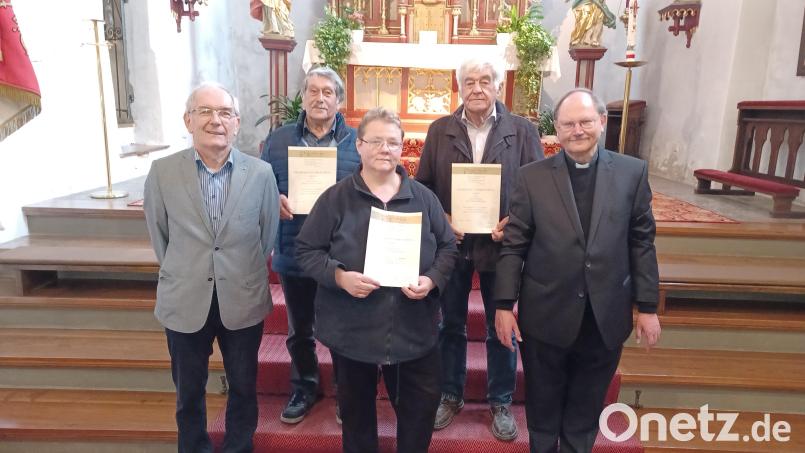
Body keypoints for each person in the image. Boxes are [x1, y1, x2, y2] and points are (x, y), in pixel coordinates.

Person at [494, 88, 661, 453]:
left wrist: (647, 307)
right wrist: (504, 305)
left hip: (605, 316)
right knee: (542, 406)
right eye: (568, 123)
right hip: (546, 314)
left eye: (585, 121)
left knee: (585, 411)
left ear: (601, 123)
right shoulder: (532, 177)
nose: (577, 130)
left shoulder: (632, 173)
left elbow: (641, 241)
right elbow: (515, 243)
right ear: (556, 129)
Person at [295, 107, 458, 453]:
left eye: (393, 143)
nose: (386, 149)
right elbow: (307, 249)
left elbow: (448, 249)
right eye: (377, 141)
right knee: (356, 419)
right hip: (353, 329)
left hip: (414, 330)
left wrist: (431, 280)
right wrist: (340, 276)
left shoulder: (424, 199)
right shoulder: (335, 198)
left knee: (418, 416)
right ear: (359, 145)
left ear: (402, 149)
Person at [144, 82, 279, 453]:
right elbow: (161, 236)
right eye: (205, 111)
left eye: (224, 113)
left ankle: (238, 447)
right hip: (186, 296)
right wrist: (189, 267)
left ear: (236, 123)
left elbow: (266, 235)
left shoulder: (261, 173)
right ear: (188, 120)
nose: (215, 120)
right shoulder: (162, 172)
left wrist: (236, 267)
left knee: (243, 387)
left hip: (242, 295)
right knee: (188, 392)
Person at [415, 57, 543, 441]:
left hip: (500, 247)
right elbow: (422, 188)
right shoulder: (440, 130)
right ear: (459, 87)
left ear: (498, 87)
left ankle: (500, 399)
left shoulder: (522, 131)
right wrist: (443, 218)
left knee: (499, 325)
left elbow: (538, 187)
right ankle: (451, 394)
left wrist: (514, 222)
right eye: (469, 81)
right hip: (451, 246)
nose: (476, 88)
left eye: (484, 81)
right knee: (449, 324)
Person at [260, 66, 360, 424]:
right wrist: (274, 197)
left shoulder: (357, 141)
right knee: (299, 328)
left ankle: (345, 393)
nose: (320, 98)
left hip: (342, 253)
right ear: (302, 97)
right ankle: (304, 386)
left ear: (339, 100)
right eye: (313, 91)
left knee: (343, 327)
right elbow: (259, 184)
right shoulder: (278, 139)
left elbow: (373, 188)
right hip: (294, 245)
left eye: (327, 92)